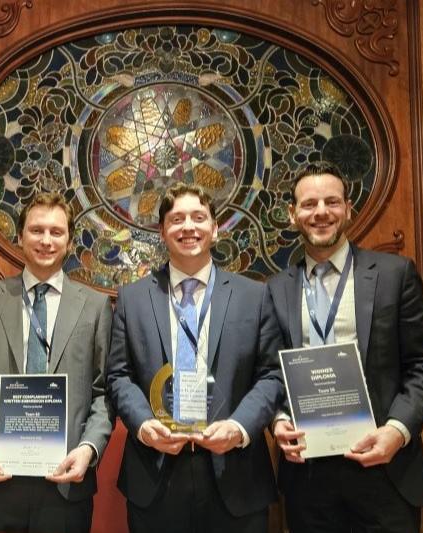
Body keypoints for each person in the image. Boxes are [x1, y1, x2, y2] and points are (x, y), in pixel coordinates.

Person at [269, 162, 423, 533]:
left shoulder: (395, 275)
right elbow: (270, 373)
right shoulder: (274, 289)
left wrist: (396, 431)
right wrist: (279, 420)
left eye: (332, 202)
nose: (320, 212)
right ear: (292, 214)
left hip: (384, 470)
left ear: (348, 209)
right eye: (309, 204)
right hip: (308, 479)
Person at [106, 183, 283, 533]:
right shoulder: (133, 298)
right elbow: (118, 376)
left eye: (198, 217)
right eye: (177, 219)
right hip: (156, 472)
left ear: (215, 228)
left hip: (236, 471)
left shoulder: (255, 295)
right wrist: (143, 425)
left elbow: (272, 375)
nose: (188, 227)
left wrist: (238, 427)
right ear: (162, 231)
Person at [0, 191, 113, 533]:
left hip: (65, 482)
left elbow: (104, 391)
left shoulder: (96, 306)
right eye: (36, 230)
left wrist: (88, 449)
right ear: (20, 236)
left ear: (70, 241)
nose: (46, 240)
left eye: (56, 232)